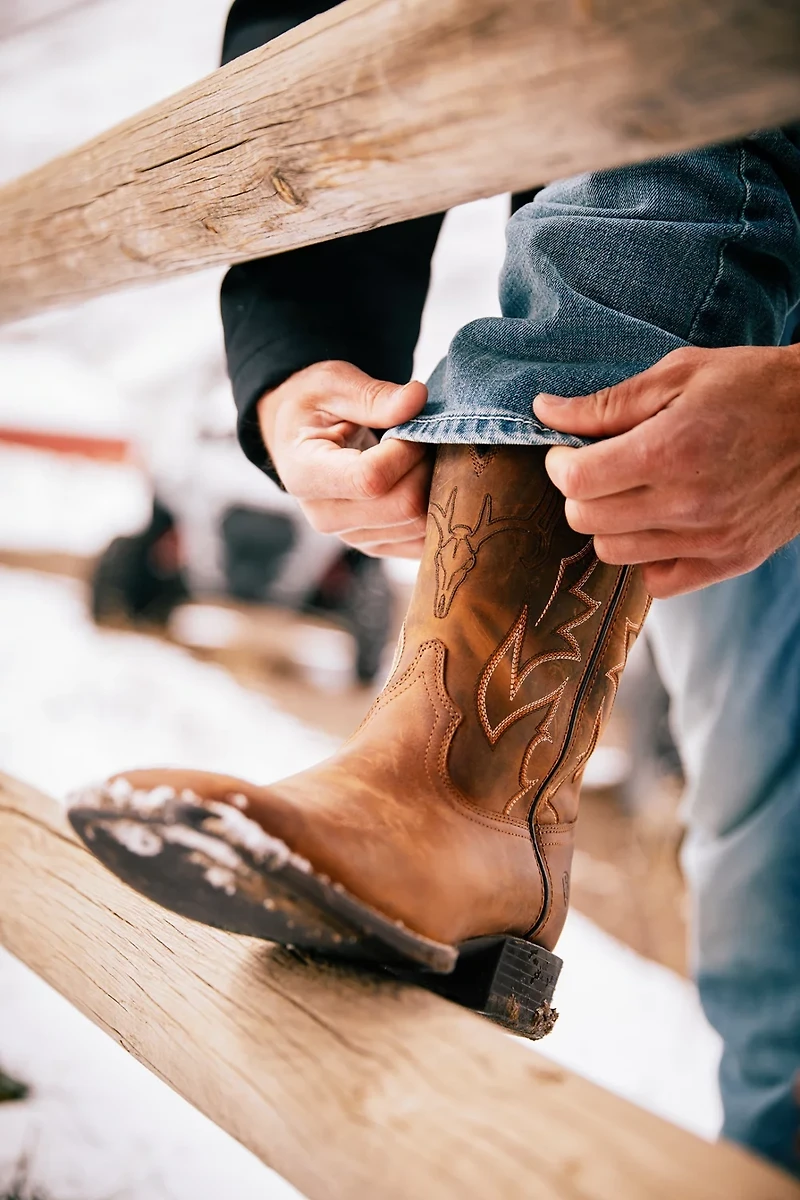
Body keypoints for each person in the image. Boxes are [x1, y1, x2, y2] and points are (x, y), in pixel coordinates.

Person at [69, 0, 800, 1175]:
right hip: (703, 387)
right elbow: (334, 17)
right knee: (775, 924)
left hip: (729, 335)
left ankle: (463, 799)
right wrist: (298, 344)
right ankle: (475, 807)